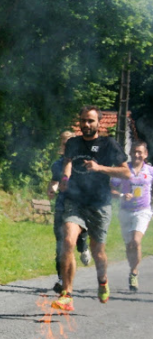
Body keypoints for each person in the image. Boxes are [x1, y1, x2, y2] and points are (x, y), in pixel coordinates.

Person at [51, 106, 130, 311]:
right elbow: (68, 163)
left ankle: (102, 281)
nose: (87, 125)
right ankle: (67, 294)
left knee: (98, 252)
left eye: (91, 121)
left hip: (99, 204)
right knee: (68, 241)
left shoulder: (109, 144)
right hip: (75, 201)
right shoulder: (73, 143)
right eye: (84, 121)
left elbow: (126, 173)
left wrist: (99, 168)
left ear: (98, 123)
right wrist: (65, 179)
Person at [47, 131, 91, 294]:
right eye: (65, 144)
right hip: (61, 206)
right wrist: (51, 189)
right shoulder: (57, 165)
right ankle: (61, 279)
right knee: (61, 245)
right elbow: (54, 182)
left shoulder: (83, 162)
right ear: (61, 146)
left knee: (76, 238)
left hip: (80, 207)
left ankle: (84, 245)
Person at [110, 140, 153, 292]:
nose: (136, 155)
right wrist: (121, 194)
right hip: (125, 211)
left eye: (140, 152)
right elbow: (111, 189)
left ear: (145, 154)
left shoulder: (150, 171)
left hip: (143, 211)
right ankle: (132, 269)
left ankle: (135, 272)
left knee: (136, 240)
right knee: (129, 246)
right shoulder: (123, 170)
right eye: (134, 152)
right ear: (130, 153)